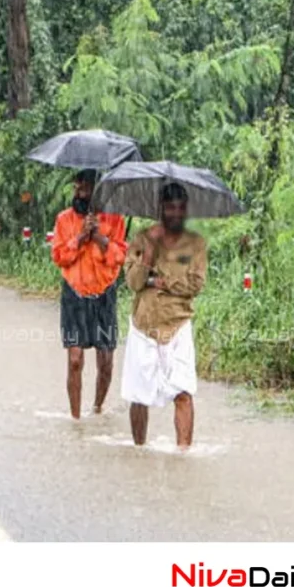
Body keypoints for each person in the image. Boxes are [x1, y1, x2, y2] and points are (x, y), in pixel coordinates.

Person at [121, 182, 207, 450]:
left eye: (180, 209)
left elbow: (195, 284)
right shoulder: (140, 239)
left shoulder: (195, 244)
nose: (175, 214)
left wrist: (162, 282)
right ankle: (139, 450)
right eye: (170, 208)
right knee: (138, 395)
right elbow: (133, 282)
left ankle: (183, 454)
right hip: (143, 324)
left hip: (178, 324)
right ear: (160, 210)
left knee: (183, 392)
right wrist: (147, 256)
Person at [51, 169, 128, 419]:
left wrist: (99, 238)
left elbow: (120, 257)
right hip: (74, 295)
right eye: (77, 186)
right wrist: (82, 237)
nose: (79, 190)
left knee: (105, 360)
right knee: (75, 359)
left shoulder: (115, 220)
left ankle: (97, 408)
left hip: (104, 295)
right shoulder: (64, 220)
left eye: (85, 187)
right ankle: (75, 418)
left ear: (97, 190)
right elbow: (59, 257)